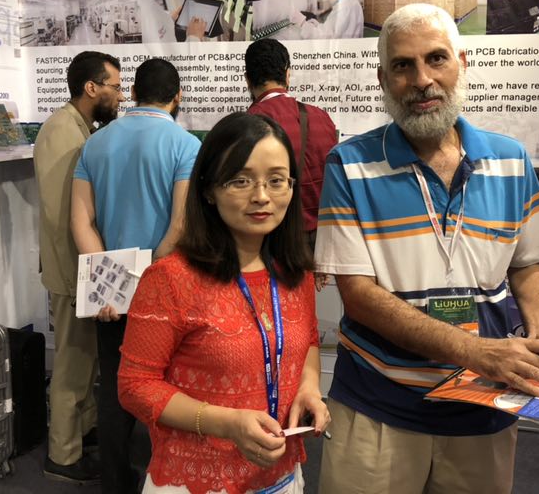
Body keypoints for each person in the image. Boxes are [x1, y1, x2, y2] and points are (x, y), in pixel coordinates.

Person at [314, 3, 539, 494]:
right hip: (379, 409)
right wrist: (476, 351)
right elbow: (358, 295)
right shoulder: (349, 164)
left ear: (462, 63)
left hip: (484, 407)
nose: (422, 80)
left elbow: (529, 263)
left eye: (436, 59)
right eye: (402, 65)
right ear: (383, 79)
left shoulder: (510, 160)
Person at [118, 112, 330, 494]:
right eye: (240, 180)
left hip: (281, 475)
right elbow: (135, 386)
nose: (261, 196)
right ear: (209, 190)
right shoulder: (171, 279)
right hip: (198, 479)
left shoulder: (294, 273)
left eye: (276, 180)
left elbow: (309, 341)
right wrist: (226, 423)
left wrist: (309, 388)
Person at [71, 58, 202, 493]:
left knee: (115, 387)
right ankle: (166, 479)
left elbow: (81, 221)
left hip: (110, 297)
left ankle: (114, 482)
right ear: (177, 96)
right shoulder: (185, 145)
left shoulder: (95, 143)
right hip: (166, 288)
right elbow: (180, 226)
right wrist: (144, 284)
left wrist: (109, 285)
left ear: (133, 93)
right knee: (170, 386)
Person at [34, 50, 124, 484]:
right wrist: (82, 278)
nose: (120, 96)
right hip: (72, 272)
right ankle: (63, 455)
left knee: (86, 362)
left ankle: (82, 433)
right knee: (72, 366)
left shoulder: (79, 128)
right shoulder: (61, 132)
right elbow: (63, 216)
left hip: (80, 269)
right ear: (92, 87)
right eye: (116, 87)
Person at [245, 38, 338, 243]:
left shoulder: (248, 124)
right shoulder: (321, 117)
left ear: (247, 80)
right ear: (287, 74)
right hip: (322, 237)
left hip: (275, 238)